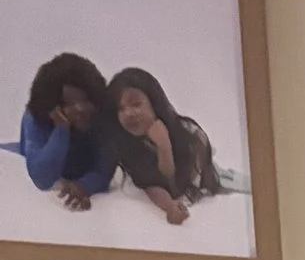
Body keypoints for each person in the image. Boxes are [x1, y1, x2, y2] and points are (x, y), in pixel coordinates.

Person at [104, 67, 215, 225]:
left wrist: (164, 145)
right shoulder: (127, 144)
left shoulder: (192, 136)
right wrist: (169, 206)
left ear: (154, 103)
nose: (128, 113)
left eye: (136, 104)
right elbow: (150, 184)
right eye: (120, 109)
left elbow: (179, 188)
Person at [14, 54, 117, 211]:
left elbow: (104, 170)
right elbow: (42, 179)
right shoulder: (35, 119)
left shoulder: (103, 119)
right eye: (68, 103)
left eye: (85, 99)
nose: (80, 108)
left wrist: (84, 185)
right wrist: (61, 128)